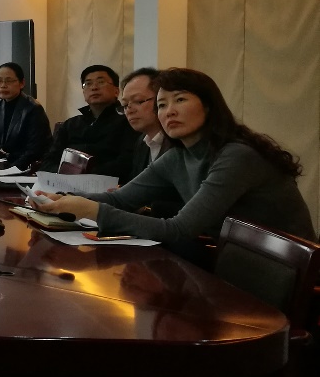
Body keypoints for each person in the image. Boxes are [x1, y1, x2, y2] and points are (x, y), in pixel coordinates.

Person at [33, 68, 316, 260]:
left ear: (208, 106)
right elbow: (121, 199)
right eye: (162, 105)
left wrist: (93, 211)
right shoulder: (178, 155)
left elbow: (179, 229)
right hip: (227, 257)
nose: (169, 112)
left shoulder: (236, 156)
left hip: (276, 273)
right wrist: (61, 200)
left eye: (179, 100)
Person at [37, 64, 137, 180]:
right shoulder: (70, 125)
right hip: (65, 183)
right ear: (84, 92)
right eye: (88, 84)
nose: (94, 87)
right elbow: (48, 162)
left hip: (108, 185)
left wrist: (85, 175)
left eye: (101, 82)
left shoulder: (128, 121)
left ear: (116, 91)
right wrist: (66, 174)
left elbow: (126, 163)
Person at [0, 61, 51, 171]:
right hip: (2, 165)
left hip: (26, 168)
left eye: (9, 81)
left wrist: (10, 170)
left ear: (22, 83)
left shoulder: (33, 109)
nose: (3, 85)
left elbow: (35, 151)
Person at [120, 67, 169, 180]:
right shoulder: (142, 142)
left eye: (138, 101)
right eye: (125, 105)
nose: (129, 110)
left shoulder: (178, 143)